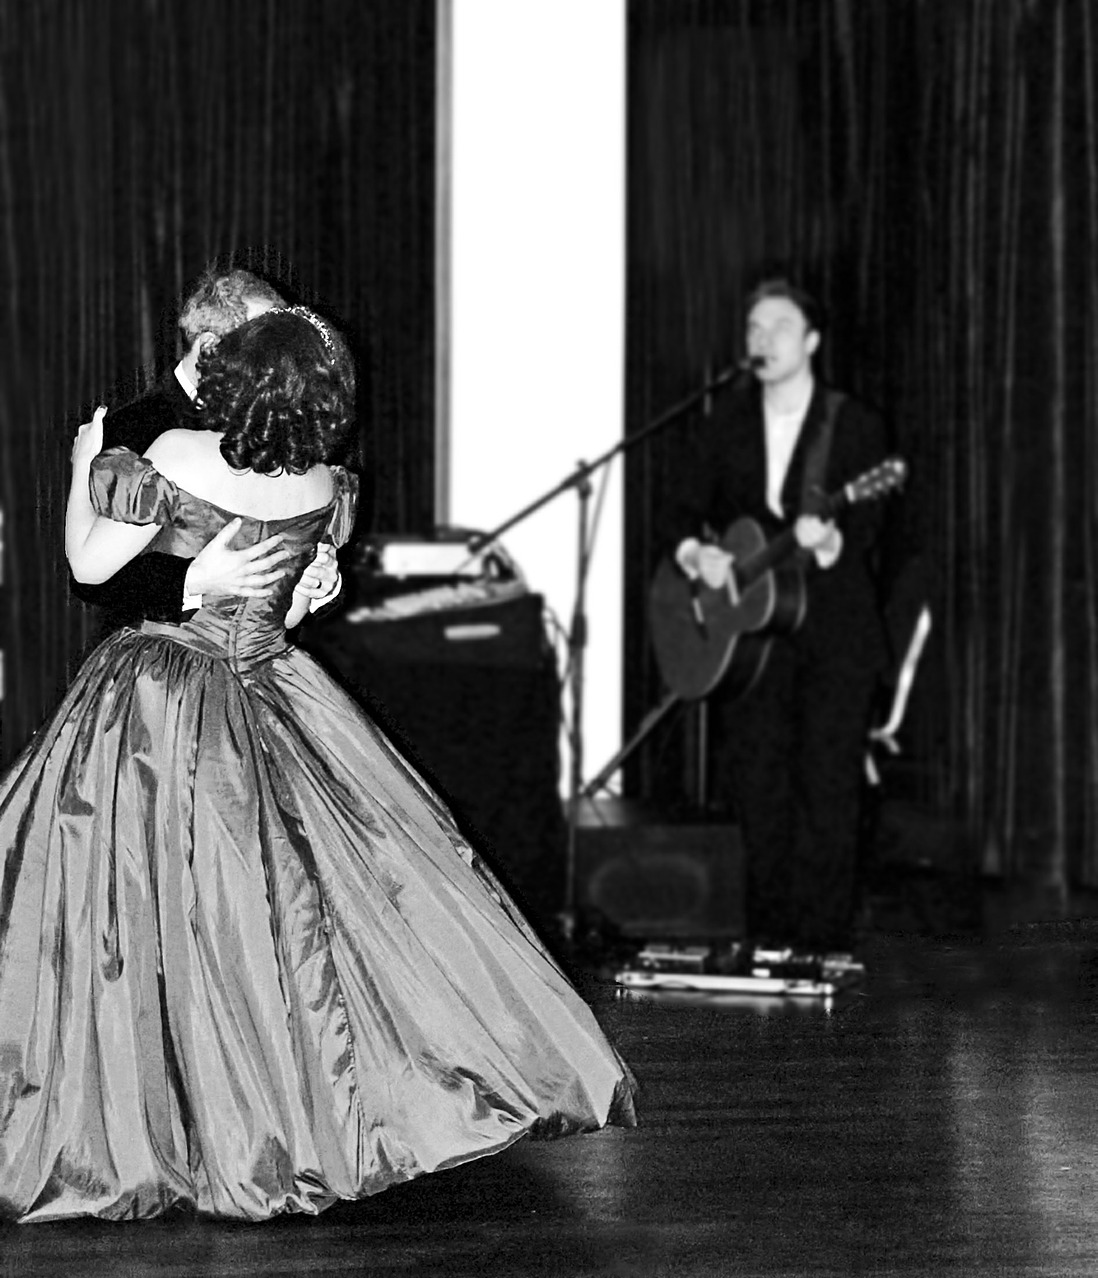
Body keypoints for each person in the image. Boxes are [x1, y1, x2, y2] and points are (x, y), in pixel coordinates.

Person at [0, 306, 635, 1224]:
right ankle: (286, 1113)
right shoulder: (322, 486)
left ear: (232, 382)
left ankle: (161, 1116)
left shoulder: (173, 457)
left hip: (163, 691)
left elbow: (88, 567)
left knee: (131, 906)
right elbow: (290, 606)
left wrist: (77, 467)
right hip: (268, 686)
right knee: (282, 918)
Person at [673, 278, 890, 954]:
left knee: (827, 788)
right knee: (759, 784)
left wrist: (832, 544)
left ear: (813, 341)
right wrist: (695, 555)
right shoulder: (727, 421)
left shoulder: (852, 426)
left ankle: (821, 943)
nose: (761, 340)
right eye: (753, 329)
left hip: (832, 632)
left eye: (778, 327)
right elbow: (682, 507)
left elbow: (883, 527)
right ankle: (766, 937)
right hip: (751, 641)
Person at [70, 267, 341, 633]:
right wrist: (189, 581)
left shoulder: (286, 438)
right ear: (211, 347)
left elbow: (286, 602)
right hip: (160, 668)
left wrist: (321, 583)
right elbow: (90, 580)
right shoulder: (132, 427)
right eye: (261, 341)